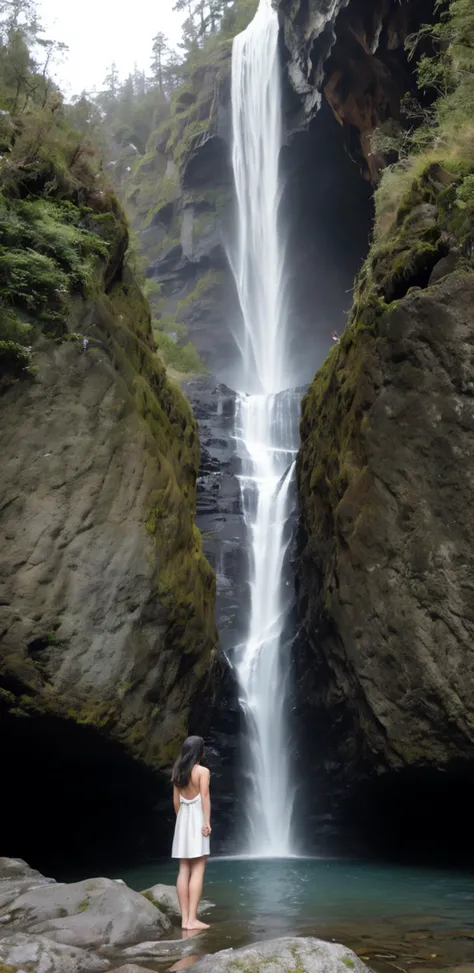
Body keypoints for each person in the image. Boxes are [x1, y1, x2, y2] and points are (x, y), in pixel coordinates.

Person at [171, 735, 211, 931]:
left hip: (183, 821)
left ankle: (184, 919)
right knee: (198, 867)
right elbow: (204, 796)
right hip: (197, 820)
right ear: (200, 752)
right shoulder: (202, 771)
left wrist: (181, 823)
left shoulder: (178, 772)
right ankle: (193, 919)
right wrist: (206, 822)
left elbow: (176, 802)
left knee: (183, 868)